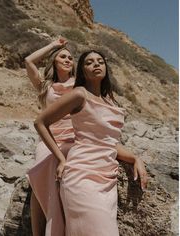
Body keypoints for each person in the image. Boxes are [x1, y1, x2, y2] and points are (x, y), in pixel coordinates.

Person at [34, 50, 148, 236]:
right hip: (81, 177)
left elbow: (108, 143)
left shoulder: (110, 101)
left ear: (105, 67)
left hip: (107, 180)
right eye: (89, 62)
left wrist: (135, 158)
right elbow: (40, 122)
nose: (96, 64)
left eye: (100, 61)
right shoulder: (79, 94)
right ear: (82, 70)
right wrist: (61, 158)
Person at [25, 37, 75, 236]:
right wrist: (54, 45)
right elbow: (28, 61)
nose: (67, 60)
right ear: (54, 61)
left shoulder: (80, 85)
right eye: (63, 57)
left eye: (71, 58)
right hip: (49, 138)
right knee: (40, 170)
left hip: (73, 137)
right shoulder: (45, 86)